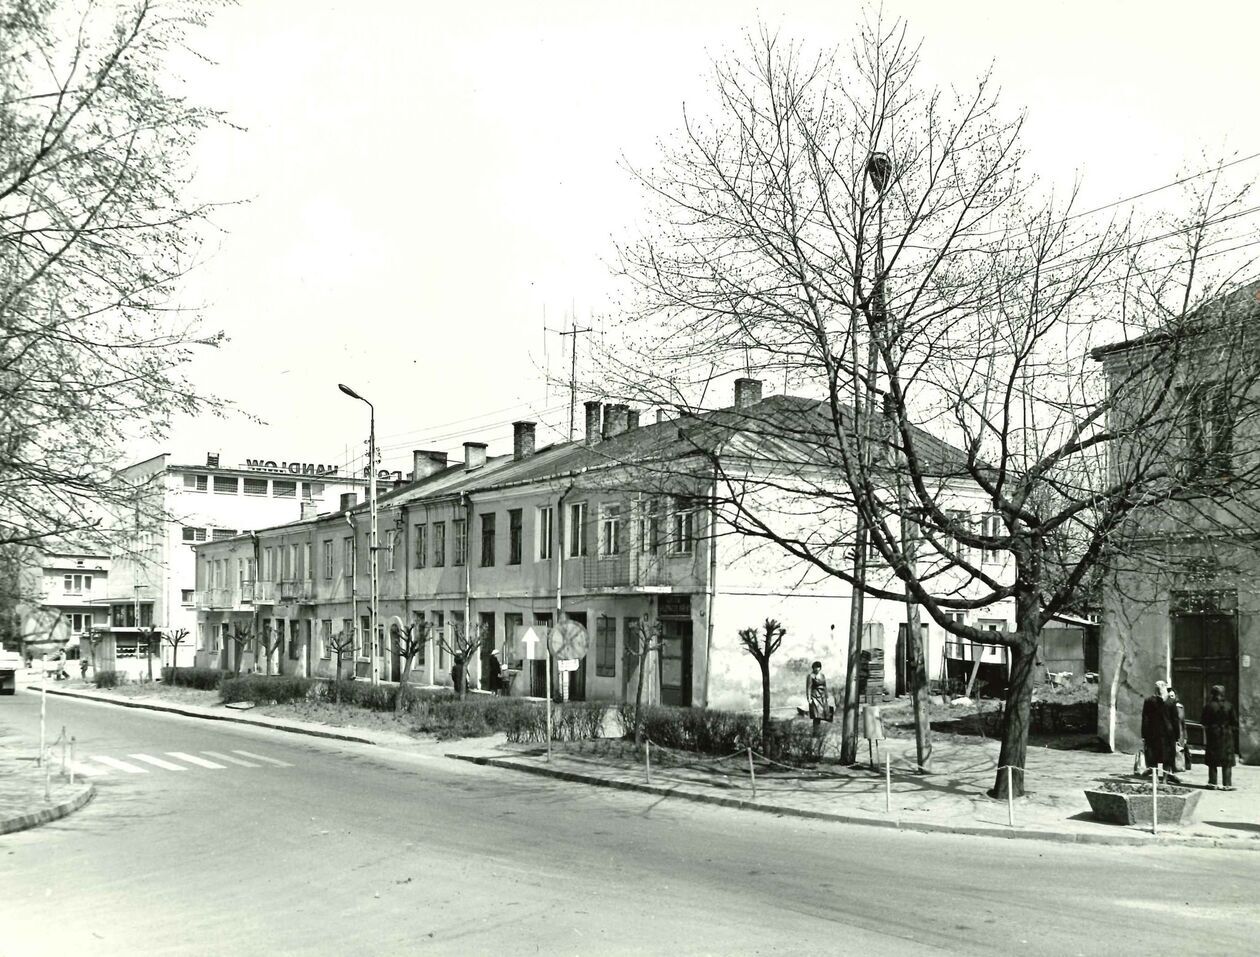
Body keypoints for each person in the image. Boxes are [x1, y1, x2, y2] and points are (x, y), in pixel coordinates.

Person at [1202, 684, 1240, 790]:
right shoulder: (1229, 706)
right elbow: (1235, 722)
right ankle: (1227, 784)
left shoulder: (1209, 706)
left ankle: (1212, 783)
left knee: (1212, 760)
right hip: (1227, 736)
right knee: (1227, 760)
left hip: (1213, 735)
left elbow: (1204, 721)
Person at [1140, 680, 1179, 781]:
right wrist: (1177, 735)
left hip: (1152, 733)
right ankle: (1165, 779)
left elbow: (1145, 719)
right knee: (1167, 756)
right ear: (1164, 687)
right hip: (1168, 733)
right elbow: (1175, 719)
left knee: (1154, 756)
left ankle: (1155, 778)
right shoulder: (1171, 702)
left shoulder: (1149, 701)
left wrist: (1144, 735)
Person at [806, 660, 830, 732]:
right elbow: (808, 687)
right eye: (815, 667)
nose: (817, 669)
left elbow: (825, 686)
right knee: (816, 714)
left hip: (822, 696)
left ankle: (818, 731)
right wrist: (809, 698)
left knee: (821, 715)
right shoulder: (810, 676)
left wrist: (827, 696)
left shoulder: (822, 675)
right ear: (813, 668)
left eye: (818, 667)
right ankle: (815, 732)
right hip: (815, 696)